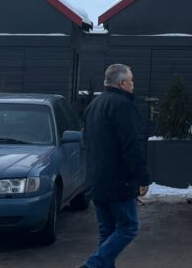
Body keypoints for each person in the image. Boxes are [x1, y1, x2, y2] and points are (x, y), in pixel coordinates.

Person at [81, 64, 151, 268]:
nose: (132, 85)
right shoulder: (123, 106)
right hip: (118, 181)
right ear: (122, 83)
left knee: (107, 231)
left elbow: (88, 142)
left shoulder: (94, 105)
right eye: (131, 81)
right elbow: (132, 145)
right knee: (128, 227)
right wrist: (142, 177)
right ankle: (92, 265)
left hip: (96, 179)